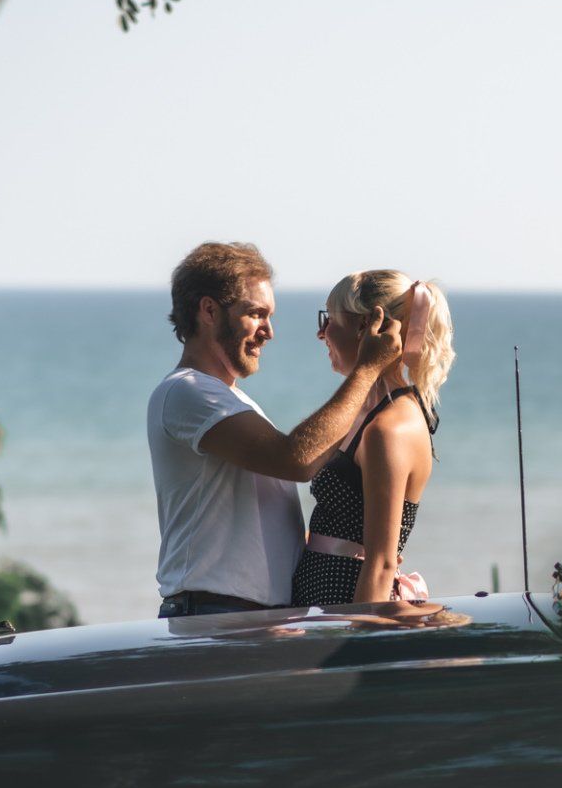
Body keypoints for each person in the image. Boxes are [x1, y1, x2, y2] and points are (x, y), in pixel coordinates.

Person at [148, 242, 403, 618]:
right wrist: (367, 370)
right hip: (213, 618)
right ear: (208, 310)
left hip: (245, 618)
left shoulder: (232, 400)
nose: (269, 332)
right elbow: (296, 461)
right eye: (256, 314)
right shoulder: (186, 392)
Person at [291, 271, 454, 607]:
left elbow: (381, 564)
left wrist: (356, 643)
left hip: (344, 609)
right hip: (323, 606)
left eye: (329, 319)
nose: (321, 333)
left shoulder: (389, 429)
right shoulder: (368, 414)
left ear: (368, 326)